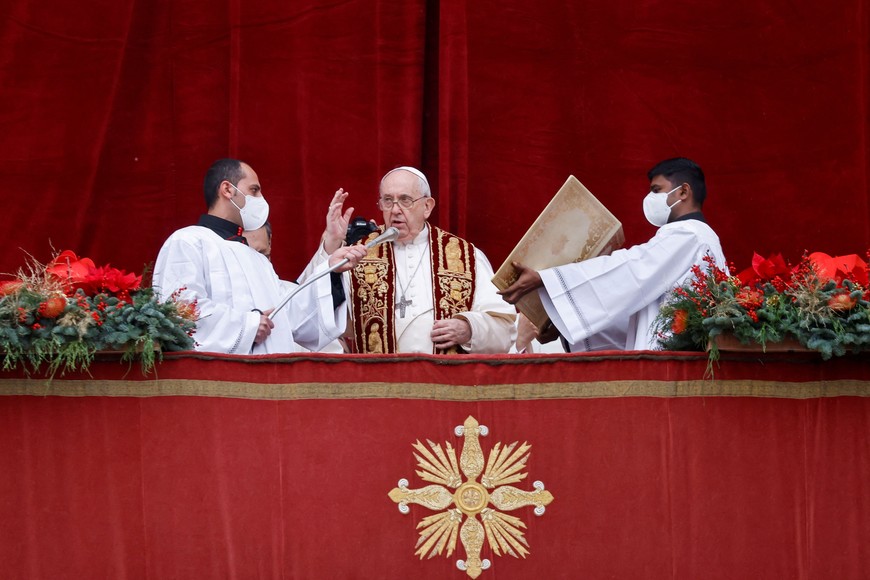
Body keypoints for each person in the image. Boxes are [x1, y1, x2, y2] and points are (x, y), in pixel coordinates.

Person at [499, 157, 727, 351]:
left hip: (673, 367)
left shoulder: (689, 235)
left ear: (684, 191)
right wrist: (565, 325)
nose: (650, 198)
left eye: (656, 190)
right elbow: (639, 317)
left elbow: (632, 270)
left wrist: (547, 279)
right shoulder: (698, 238)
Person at [153, 159, 367, 354]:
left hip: (269, 384)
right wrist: (247, 326)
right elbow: (179, 313)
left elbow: (294, 318)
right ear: (227, 189)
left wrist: (331, 270)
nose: (260, 199)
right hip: (217, 383)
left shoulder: (257, 259)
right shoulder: (188, 241)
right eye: (254, 191)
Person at [311, 167, 516, 353]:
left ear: (427, 206)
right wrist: (331, 244)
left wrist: (469, 328)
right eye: (388, 200)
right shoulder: (360, 252)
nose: (395, 209)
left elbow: (505, 330)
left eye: (405, 200)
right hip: (380, 387)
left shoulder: (465, 255)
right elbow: (312, 318)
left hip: (446, 387)